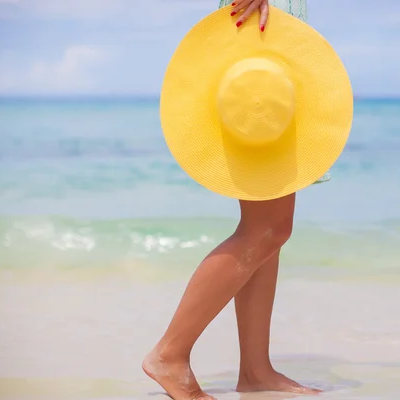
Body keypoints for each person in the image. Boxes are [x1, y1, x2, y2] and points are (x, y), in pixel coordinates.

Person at [142, 1, 329, 399]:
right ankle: (170, 353)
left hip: (270, 20)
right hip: (258, 18)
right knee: (268, 228)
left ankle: (256, 371)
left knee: (269, 230)